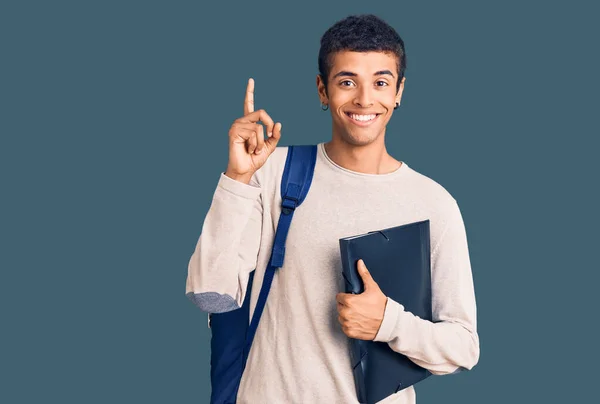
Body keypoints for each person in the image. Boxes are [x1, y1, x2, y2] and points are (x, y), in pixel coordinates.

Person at [186, 14, 480, 404]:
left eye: (380, 82)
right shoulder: (272, 171)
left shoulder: (433, 203)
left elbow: (463, 346)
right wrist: (236, 180)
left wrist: (387, 323)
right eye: (346, 82)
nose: (364, 99)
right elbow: (211, 295)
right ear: (322, 90)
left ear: (399, 92)